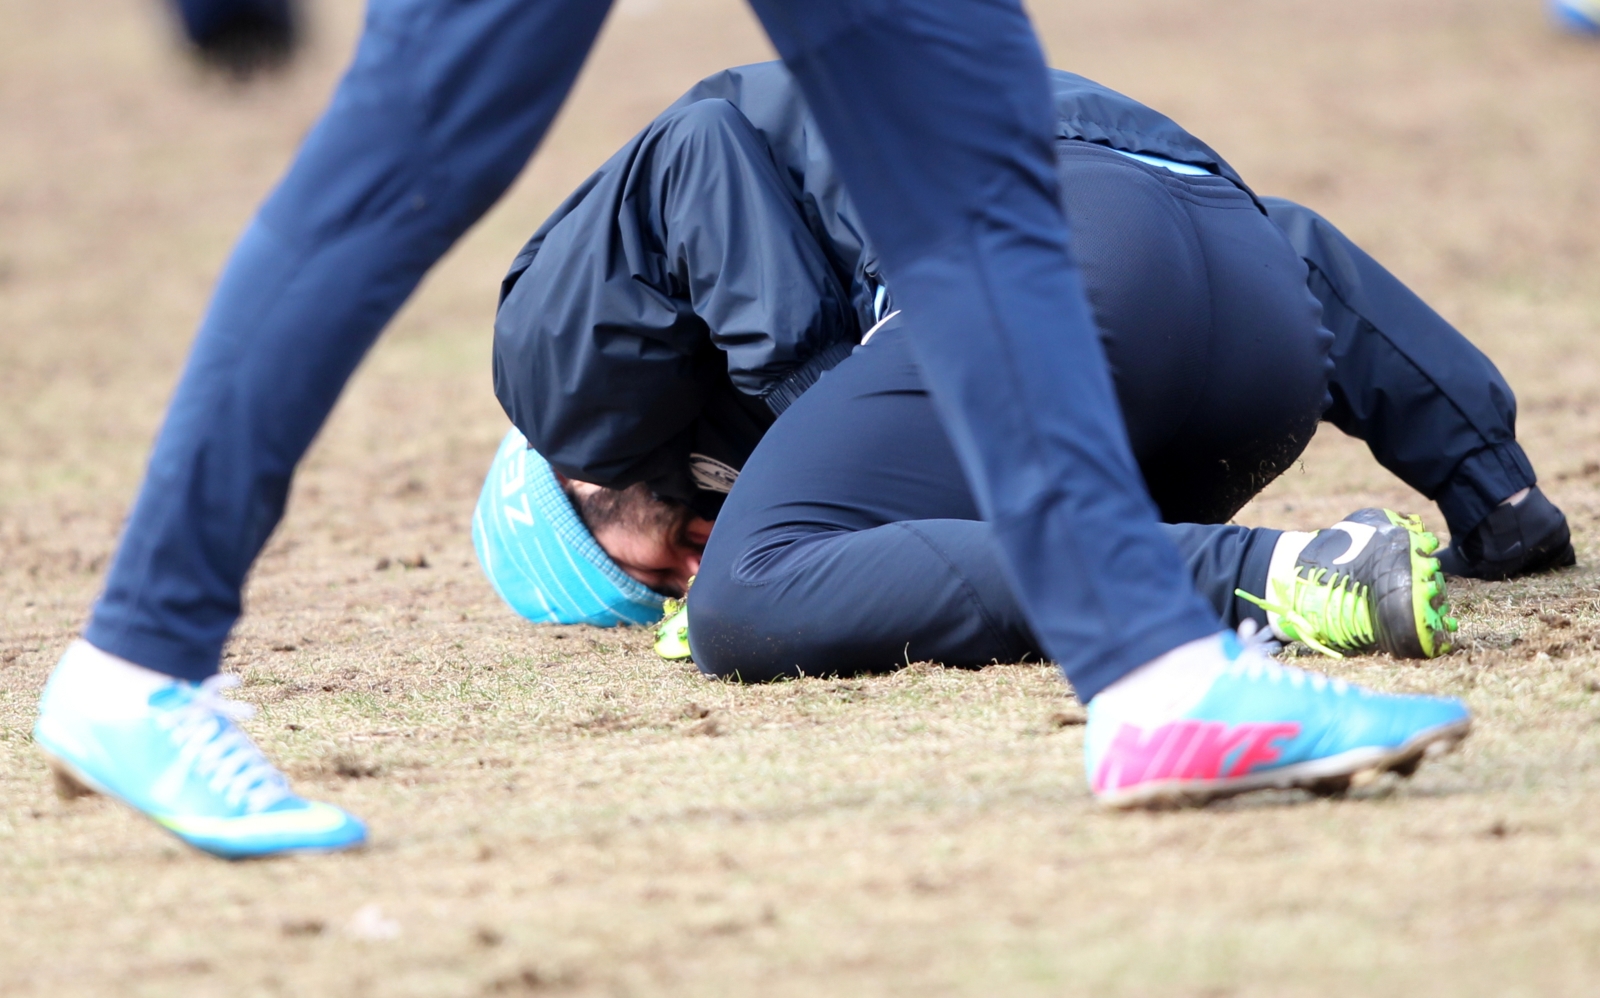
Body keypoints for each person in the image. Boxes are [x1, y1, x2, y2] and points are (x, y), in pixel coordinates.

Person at [33, 0, 1482, 858]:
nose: (693, 554)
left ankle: (1160, 680)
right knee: (390, 180)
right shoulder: (578, 363)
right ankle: (138, 661)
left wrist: (829, 455)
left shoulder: (632, 376)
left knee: (979, 201)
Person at [478, 62, 1573, 805]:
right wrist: (1493, 488)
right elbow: (1301, 246)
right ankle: (1394, 537)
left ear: (572, 494)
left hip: (1056, 261)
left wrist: (810, 422)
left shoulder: (548, 377)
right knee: (984, 520)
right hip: (1254, 317)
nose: (682, 562)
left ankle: (1267, 574)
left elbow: (693, 144)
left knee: (748, 598)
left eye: (644, 571)